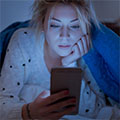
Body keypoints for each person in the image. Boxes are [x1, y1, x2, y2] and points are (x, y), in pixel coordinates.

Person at [0, 0, 119, 120]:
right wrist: (29, 112)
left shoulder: (86, 51)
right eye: (55, 25)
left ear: (85, 28)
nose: (64, 35)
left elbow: (96, 111)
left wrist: (69, 65)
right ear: (42, 24)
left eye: (75, 26)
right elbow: (3, 102)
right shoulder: (23, 41)